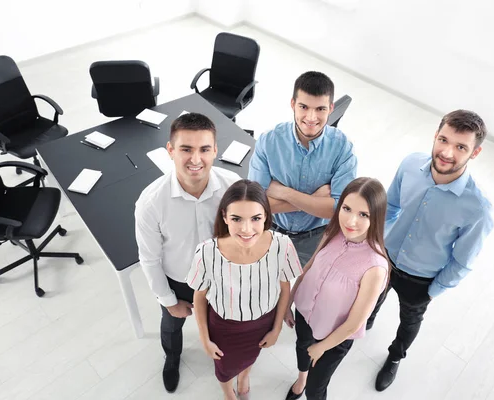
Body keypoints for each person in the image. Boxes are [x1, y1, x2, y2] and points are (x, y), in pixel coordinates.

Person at [368, 109, 494, 391]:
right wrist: (376, 244)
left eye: (461, 147)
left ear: (475, 153)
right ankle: (366, 321)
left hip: (420, 280)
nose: (447, 152)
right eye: (443, 140)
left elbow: (462, 262)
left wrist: (432, 290)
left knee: (409, 321)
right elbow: (391, 205)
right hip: (385, 259)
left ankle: (395, 357)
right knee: (372, 298)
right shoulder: (411, 164)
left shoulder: (478, 209)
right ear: (435, 136)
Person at [135, 113, 240, 393]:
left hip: (221, 279)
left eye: (204, 149)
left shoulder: (233, 188)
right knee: (171, 326)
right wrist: (169, 301)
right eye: (186, 149)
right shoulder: (151, 203)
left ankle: (226, 362)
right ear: (170, 151)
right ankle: (172, 357)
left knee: (224, 326)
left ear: (215, 150)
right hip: (178, 280)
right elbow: (150, 259)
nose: (196, 159)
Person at [187, 179, 302, 400]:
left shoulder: (282, 245)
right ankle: (228, 393)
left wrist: (276, 328)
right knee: (224, 369)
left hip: (263, 321)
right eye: (236, 219)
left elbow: (284, 288)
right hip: (223, 327)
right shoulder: (207, 252)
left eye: (256, 218)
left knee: (250, 358)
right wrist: (204, 338)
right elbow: (199, 296)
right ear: (224, 217)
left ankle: (244, 377)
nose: (247, 229)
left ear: (266, 216)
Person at [282, 177, 390, 400]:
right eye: (347, 208)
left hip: (334, 337)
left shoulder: (375, 267)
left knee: (316, 389)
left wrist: (322, 348)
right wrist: (288, 303)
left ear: (376, 218)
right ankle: (300, 379)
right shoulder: (332, 232)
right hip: (304, 314)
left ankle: (308, 385)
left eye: (363, 214)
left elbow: (354, 323)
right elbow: (308, 267)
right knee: (302, 349)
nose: (351, 220)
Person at [248, 71, 357, 267]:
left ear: (331, 108)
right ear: (293, 104)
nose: (311, 117)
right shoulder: (269, 141)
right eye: (304, 107)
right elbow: (255, 204)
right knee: (261, 278)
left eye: (320, 109)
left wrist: (283, 192)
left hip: (314, 239)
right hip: (269, 230)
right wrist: (316, 201)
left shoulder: (343, 149)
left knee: (303, 287)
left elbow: (339, 210)